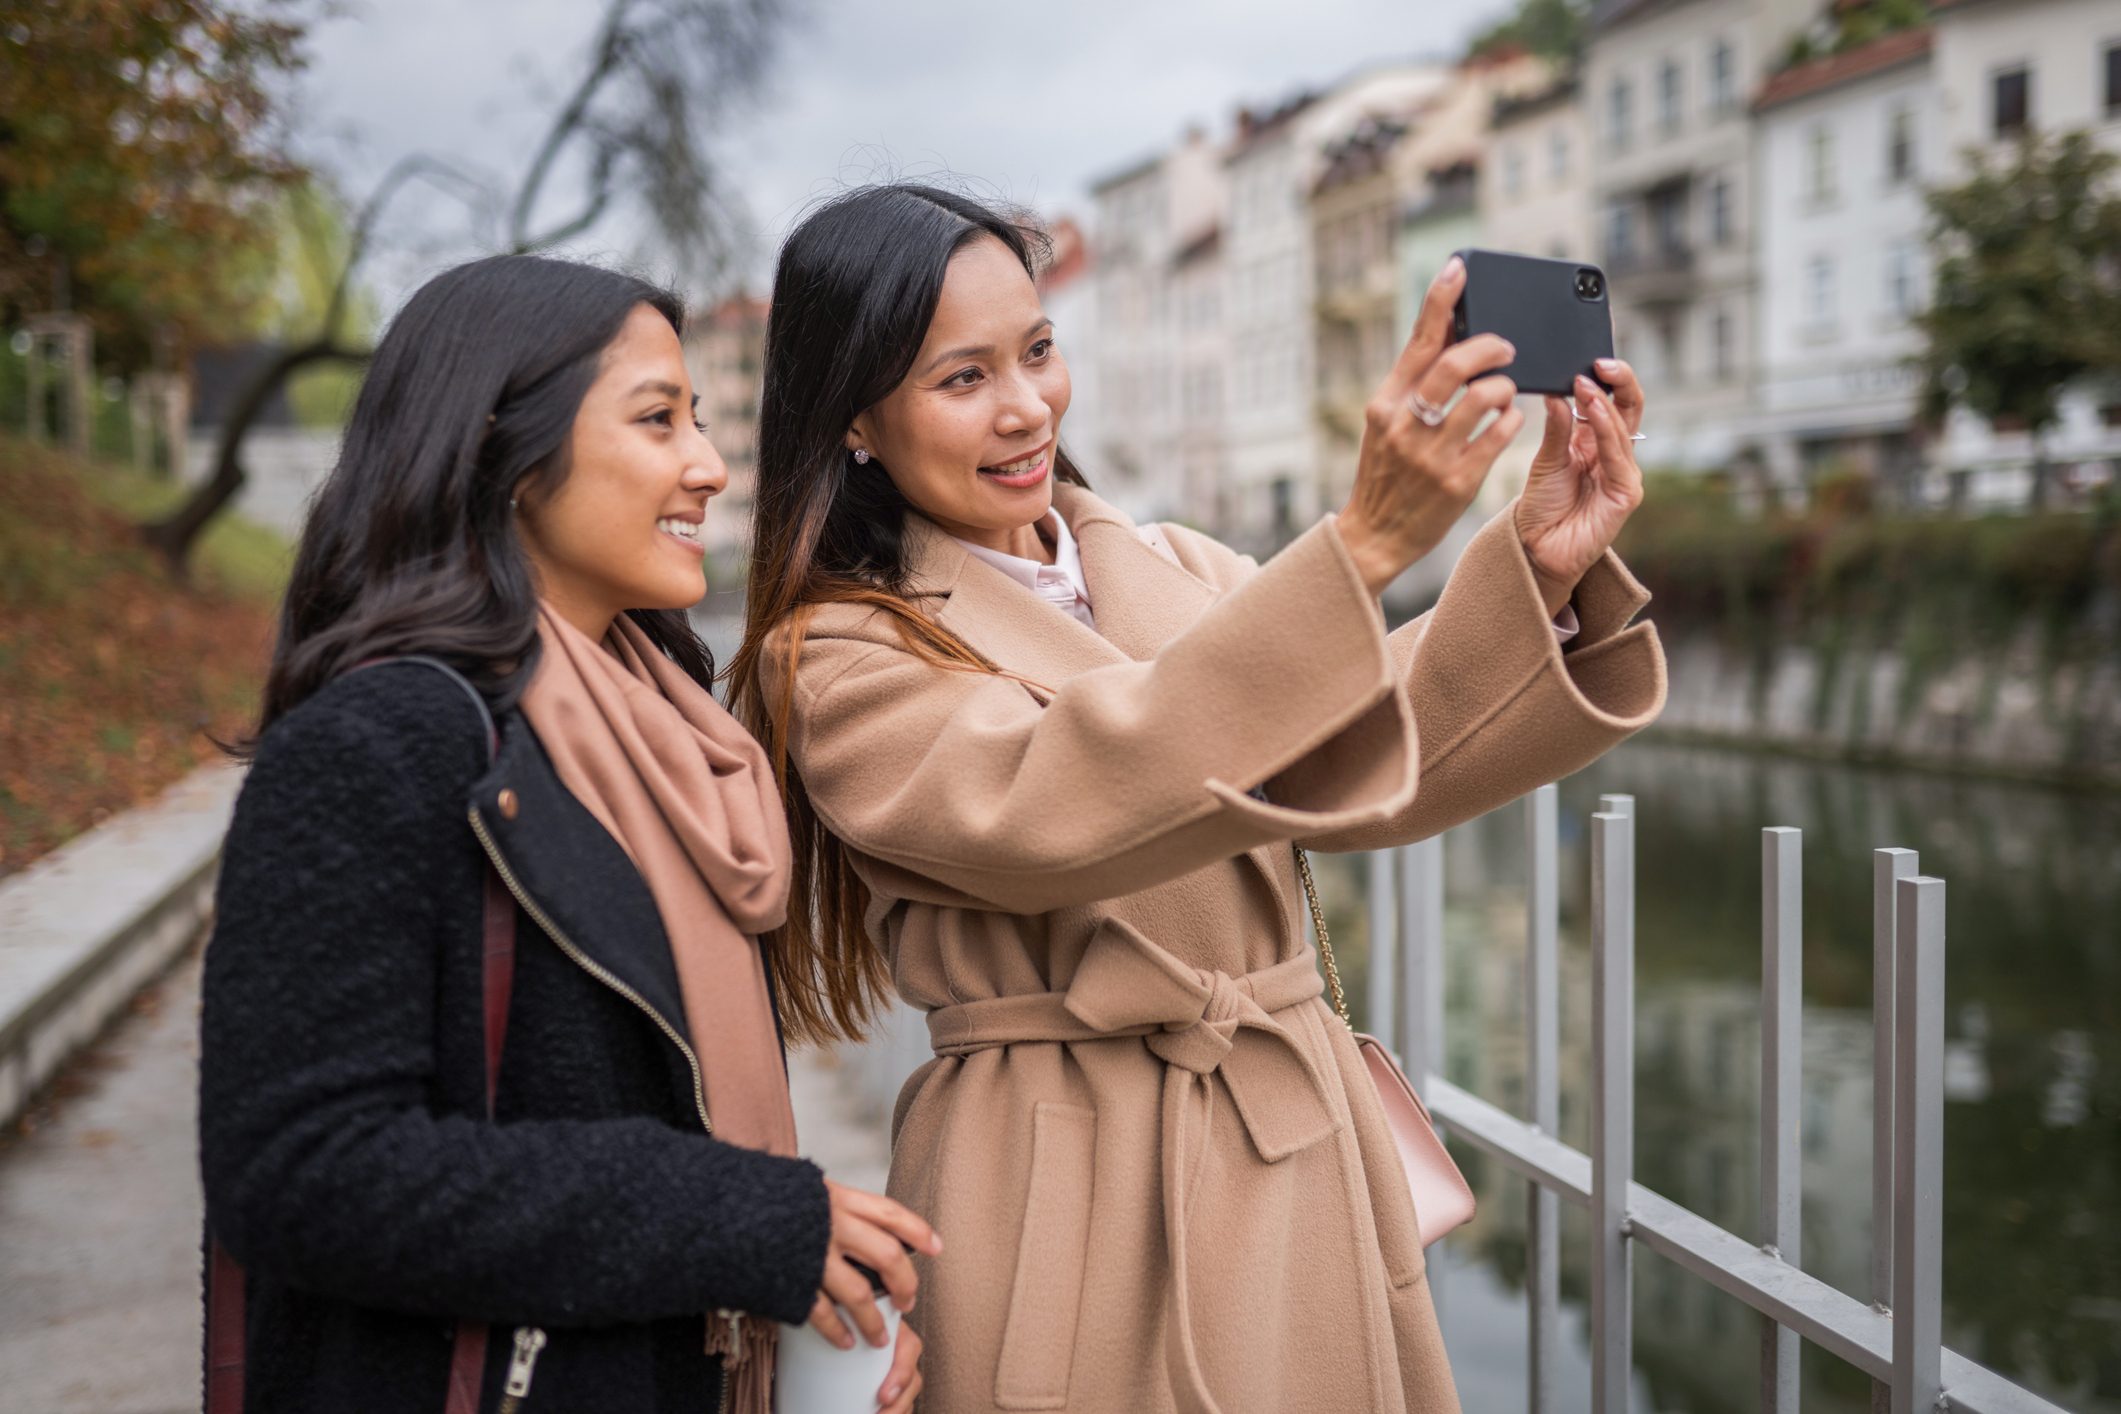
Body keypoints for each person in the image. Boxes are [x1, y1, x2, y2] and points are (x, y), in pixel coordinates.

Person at [727, 184, 1667, 1413]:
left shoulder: (1171, 563)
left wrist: (1535, 562)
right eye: (962, 379)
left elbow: (1369, 752)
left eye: (1041, 351)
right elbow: (1059, 803)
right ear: (858, 419)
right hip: (1062, 1187)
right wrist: (1362, 550)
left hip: (1291, 1148)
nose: (1027, 408)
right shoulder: (836, 654)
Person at [198, 253, 933, 1414]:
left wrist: (796, 1306)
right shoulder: (381, 744)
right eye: (658, 420)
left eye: (698, 420)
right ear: (502, 449)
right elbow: (302, 1171)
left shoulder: (668, 740)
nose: (708, 465)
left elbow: (652, 1117)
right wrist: (742, 1222)